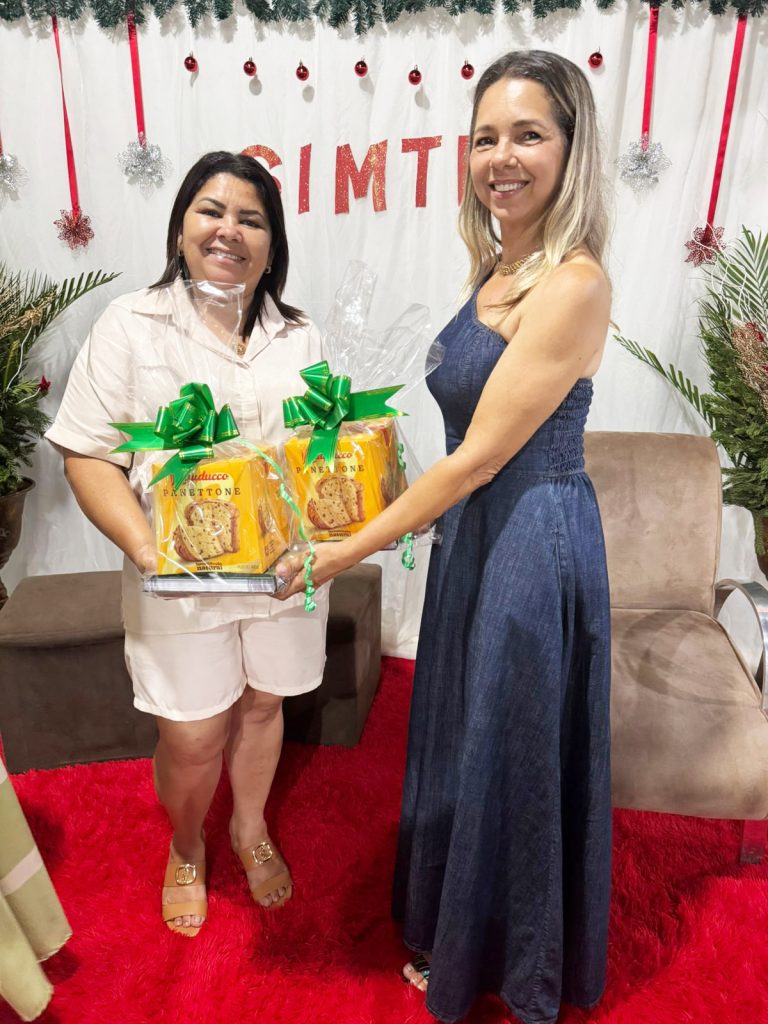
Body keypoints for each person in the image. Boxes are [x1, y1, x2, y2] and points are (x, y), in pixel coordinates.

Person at [276, 50, 612, 1024]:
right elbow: (459, 442)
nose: (501, 157)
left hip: (530, 532)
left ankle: (517, 960)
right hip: (474, 528)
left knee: (512, 739)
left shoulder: (572, 282)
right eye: (485, 137)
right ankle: (459, 927)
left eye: (528, 135)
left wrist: (344, 551)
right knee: (469, 727)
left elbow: (475, 460)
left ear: (571, 149)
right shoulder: (500, 264)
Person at [46, 151, 330, 936]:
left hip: (282, 573)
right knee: (194, 731)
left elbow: (324, 450)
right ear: (180, 229)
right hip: (177, 580)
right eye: (212, 211)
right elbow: (87, 454)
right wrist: (150, 552)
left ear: (271, 245)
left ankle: (249, 825)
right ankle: (187, 842)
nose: (229, 230)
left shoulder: (299, 334)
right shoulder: (130, 325)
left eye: (252, 219)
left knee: (265, 703)